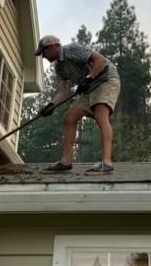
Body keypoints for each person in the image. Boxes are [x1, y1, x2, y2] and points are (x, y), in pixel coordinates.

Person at [34, 35, 121, 175]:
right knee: (69, 118)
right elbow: (62, 94)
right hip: (89, 88)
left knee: (100, 114)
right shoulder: (59, 67)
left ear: (52, 47)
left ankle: (106, 163)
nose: (43, 57)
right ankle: (65, 162)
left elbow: (100, 59)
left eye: (43, 52)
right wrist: (50, 106)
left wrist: (89, 78)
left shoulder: (72, 49)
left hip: (106, 80)